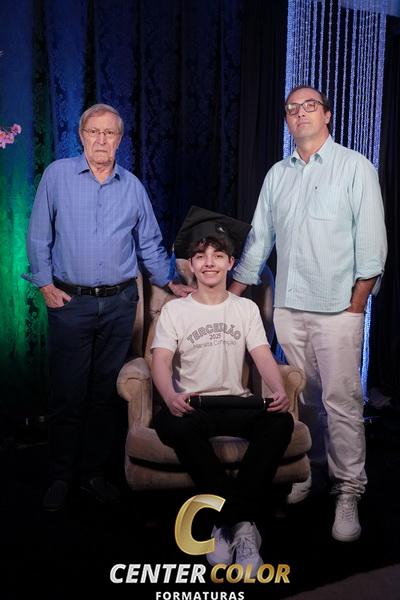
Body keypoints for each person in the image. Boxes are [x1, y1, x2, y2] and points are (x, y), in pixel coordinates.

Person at [230, 85, 387, 542]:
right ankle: (309, 471)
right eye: (292, 108)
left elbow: (372, 243)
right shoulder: (277, 175)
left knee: (342, 402)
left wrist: (358, 302)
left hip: (339, 309)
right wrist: (232, 294)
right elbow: (259, 240)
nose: (300, 113)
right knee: (305, 400)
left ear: (327, 115)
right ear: (287, 120)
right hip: (289, 308)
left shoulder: (355, 167)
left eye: (310, 106)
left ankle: (348, 490)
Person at [23, 103, 193, 511]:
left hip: (119, 304)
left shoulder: (132, 187)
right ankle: (62, 476)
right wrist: (44, 285)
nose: (101, 139)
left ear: (120, 140)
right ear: (81, 136)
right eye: (94, 132)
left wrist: (170, 281)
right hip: (71, 303)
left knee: (105, 395)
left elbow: (149, 243)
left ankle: (93, 474)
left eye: (110, 133)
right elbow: (38, 234)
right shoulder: (57, 176)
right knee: (68, 394)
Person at [151, 206, 294, 575]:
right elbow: (160, 361)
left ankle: (227, 522)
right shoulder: (175, 311)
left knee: (280, 423)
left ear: (231, 262)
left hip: (236, 404)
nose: (209, 263)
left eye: (218, 255)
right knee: (172, 424)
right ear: (191, 265)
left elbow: (262, 356)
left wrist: (278, 389)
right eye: (201, 256)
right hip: (193, 406)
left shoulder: (245, 308)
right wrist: (170, 397)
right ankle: (243, 522)